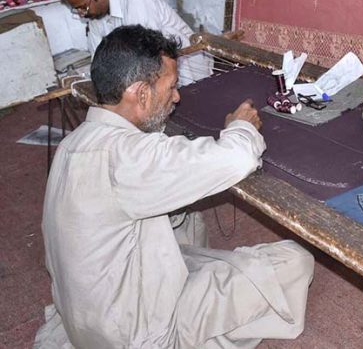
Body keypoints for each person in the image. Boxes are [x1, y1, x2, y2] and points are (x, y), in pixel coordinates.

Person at [35, 25, 314, 348]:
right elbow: (236, 158)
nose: (177, 96)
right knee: (294, 261)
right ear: (141, 93)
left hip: (86, 320)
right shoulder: (130, 157)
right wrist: (241, 127)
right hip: (135, 334)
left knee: (186, 215)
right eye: (171, 87)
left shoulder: (72, 144)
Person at [60, 0, 211, 86]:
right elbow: (99, 61)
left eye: (82, 7)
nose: (81, 13)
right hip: (145, 70)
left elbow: (146, 54)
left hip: (187, 67)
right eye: (77, 10)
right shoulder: (95, 18)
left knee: (160, 41)